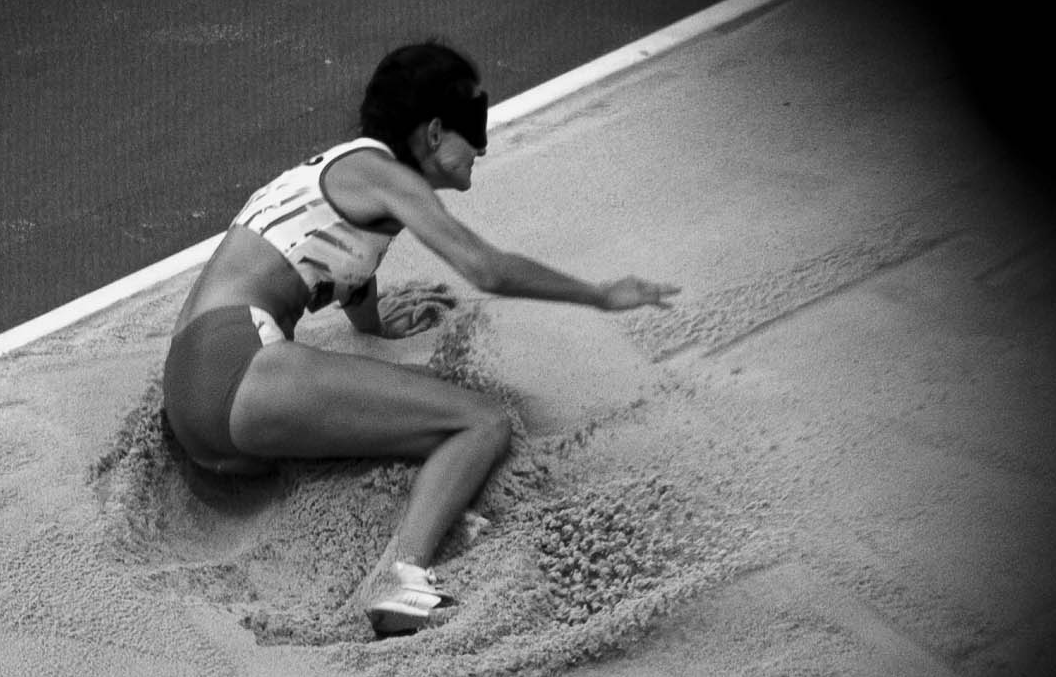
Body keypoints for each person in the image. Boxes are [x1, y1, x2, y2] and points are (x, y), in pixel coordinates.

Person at [161, 41, 678, 635]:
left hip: (203, 406)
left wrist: (375, 326)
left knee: (411, 417)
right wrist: (600, 294)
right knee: (482, 422)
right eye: (472, 127)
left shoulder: (352, 177)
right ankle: (400, 577)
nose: (481, 147)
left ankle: (426, 530)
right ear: (434, 132)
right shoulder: (388, 175)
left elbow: (343, 268)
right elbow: (487, 270)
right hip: (238, 366)